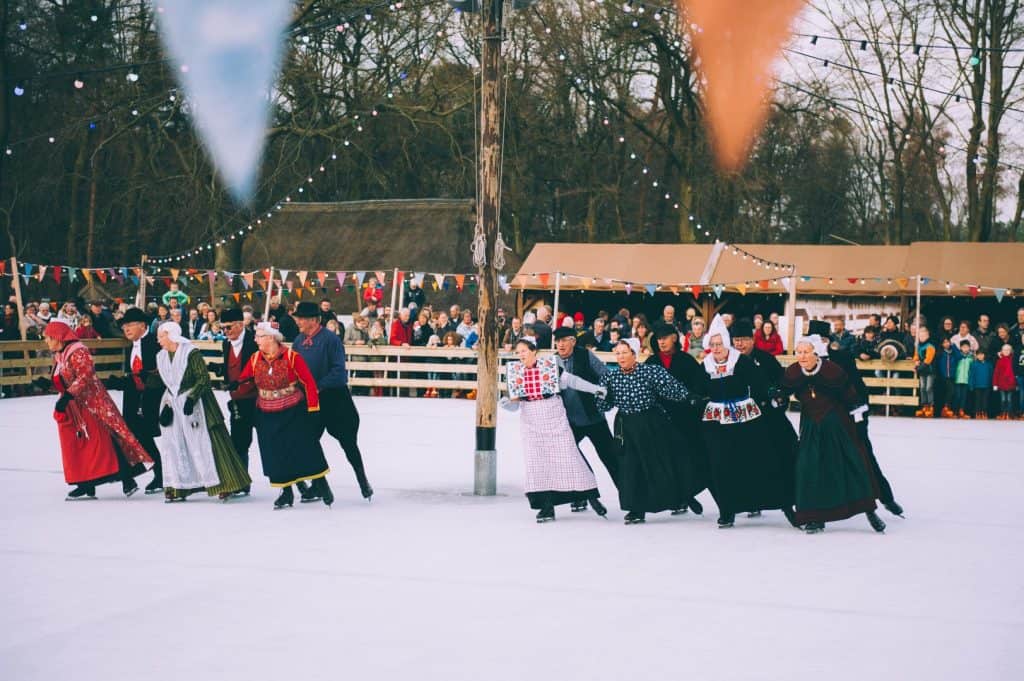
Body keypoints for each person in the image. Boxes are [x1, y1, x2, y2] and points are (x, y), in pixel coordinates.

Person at [697, 317, 797, 528]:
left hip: (744, 417)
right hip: (717, 420)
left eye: (720, 344)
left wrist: (773, 392)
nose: (716, 348)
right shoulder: (705, 365)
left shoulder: (740, 361)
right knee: (722, 465)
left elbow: (759, 381)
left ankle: (784, 504)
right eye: (712, 344)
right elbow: (698, 389)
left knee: (760, 461)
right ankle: (728, 509)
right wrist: (695, 399)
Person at [782, 334, 886, 534]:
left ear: (815, 353)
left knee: (851, 465)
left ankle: (869, 511)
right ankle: (813, 517)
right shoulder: (794, 371)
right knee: (808, 468)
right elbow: (784, 389)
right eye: (799, 352)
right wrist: (776, 396)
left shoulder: (831, 370)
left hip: (836, 424)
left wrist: (857, 413)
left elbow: (849, 393)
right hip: (811, 425)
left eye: (806, 352)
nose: (802, 356)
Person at [596, 338, 704, 525]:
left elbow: (671, 388)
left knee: (664, 462)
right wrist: (602, 397)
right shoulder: (610, 377)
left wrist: (689, 397)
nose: (620, 356)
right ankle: (636, 508)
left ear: (634, 354)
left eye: (624, 352)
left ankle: (682, 496)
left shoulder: (649, 371)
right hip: (626, 425)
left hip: (651, 422)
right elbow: (604, 406)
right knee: (631, 467)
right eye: (618, 353)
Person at [41, 321, 152, 500]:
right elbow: (66, 379)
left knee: (103, 441)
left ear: (58, 337)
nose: (46, 341)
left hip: (92, 404)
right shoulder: (60, 354)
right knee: (80, 445)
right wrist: (49, 386)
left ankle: (123, 477)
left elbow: (86, 375)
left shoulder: (77, 351)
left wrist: (68, 395)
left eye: (47, 338)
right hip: (74, 406)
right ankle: (86, 482)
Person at [502, 338, 608, 522]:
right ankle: (546, 506)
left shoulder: (549, 367)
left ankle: (591, 496)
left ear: (534, 351)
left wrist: (595, 389)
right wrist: (505, 403)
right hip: (531, 421)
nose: (521, 355)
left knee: (570, 458)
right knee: (537, 464)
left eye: (524, 351)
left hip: (553, 416)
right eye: (518, 352)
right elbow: (515, 405)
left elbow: (573, 381)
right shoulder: (515, 373)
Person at [227, 322, 331, 508]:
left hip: (292, 410)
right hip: (266, 411)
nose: (255, 339)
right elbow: (246, 380)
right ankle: (286, 492)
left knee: (303, 448)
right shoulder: (255, 358)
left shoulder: (292, 357)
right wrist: (236, 384)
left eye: (259, 336)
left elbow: (308, 383)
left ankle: (321, 483)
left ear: (271, 337)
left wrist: (313, 409)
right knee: (274, 453)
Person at [810, 320, 904, 517]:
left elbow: (858, 389)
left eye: (821, 340)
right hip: (821, 422)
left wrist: (860, 418)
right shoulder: (804, 364)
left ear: (828, 341)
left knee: (864, 457)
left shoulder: (842, 358)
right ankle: (817, 510)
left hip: (847, 417)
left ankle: (885, 498)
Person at [155, 322, 250, 502]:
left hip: (198, 404)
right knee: (176, 444)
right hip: (174, 404)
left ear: (171, 335)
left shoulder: (191, 353)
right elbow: (165, 381)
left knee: (210, 443)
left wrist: (192, 398)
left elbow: (203, 378)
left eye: (161, 336)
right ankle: (179, 487)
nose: (158, 340)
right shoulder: (160, 356)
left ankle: (227, 483)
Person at [292, 301, 373, 501]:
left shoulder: (330, 340)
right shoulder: (298, 341)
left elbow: (338, 371)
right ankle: (319, 485)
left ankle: (362, 480)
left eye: (301, 318)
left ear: (312, 320)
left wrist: (318, 386)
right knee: (308, 441)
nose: (298, 321)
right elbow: (293, 367)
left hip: (335, 399)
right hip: (311, 401)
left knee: (348, 443)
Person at [729, 318, 799, 519]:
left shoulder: (766, 359)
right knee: (747, 463)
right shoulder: (729, 361)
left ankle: (789, 502)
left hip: (769, 418)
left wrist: (778, 400)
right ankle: (751, 502)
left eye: (743, 339)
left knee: (781, 458)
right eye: (736, 340)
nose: (739, 344)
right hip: (742, 420)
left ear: (752, 340)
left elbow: (782, 385)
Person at [552, 327, 621, 502]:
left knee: (611, 458)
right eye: (557, 341)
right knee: (569, 458)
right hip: (569, 422)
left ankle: (630, 495)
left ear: (573, 341)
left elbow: (606, 376)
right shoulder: (552, 362)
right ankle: (582, 495)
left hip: (593, 417)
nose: (560, 344)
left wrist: (605, 395)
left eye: (564, 340)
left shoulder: (586, 355)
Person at [102, 308, 166, 494]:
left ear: (143, 325)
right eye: (124, 326)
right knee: (133, 437)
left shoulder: (155, 343)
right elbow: (133, 376)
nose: (126, 329)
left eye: (130, 325)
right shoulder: (131, 347)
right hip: (133, 400)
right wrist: (120, 382)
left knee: (146, 438)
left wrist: (144, 380)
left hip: (152, 399)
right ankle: (137, 473)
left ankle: (155, 474)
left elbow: (160, 373)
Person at [216, 308, 257, 496]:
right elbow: (229, 368)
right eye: (222, 328)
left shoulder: (255, 341)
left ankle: (294, 483)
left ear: (240, 324)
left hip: (258, 400)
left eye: (229, 327)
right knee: (239, 442)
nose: (225, 331)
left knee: (272, 442)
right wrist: (220, 370)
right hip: (238, 401)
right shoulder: (226, 345)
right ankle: (241, 481)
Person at [913, 327, 937, 417]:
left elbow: (928, 361)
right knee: (922, 388)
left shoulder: (930, 346)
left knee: (928, 388)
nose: (922, 337)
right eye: (920, 335)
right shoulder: (918, 346)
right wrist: (916, 361)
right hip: (922, 371)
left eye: (924, 335)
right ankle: (924, 406)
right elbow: (916, 356)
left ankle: (931, 406)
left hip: (930, 370)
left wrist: (917, 369)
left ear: (928, 336)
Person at [935, 336, 961, 418]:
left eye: (947, 342)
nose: (946, 344)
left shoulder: (953, 352)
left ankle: (949, 409)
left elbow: (959, 356)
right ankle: (945, 408)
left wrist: (954, 346)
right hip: (944, 376)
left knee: (954, 393)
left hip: (952, 376)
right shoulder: (941, 353)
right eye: (944, 342)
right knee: (950, 391)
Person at [993, 344, 1017, 419]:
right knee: (1003, 399)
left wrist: (1016, 384)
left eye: (1008, 350)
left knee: (1009, 399)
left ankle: (1009, 413)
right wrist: (995, 384)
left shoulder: (1013, 360)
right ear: (1001, 351)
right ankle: (1003, 412)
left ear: (1011, 351)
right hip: (1001, 383)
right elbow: (996, 373)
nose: (1006, 351)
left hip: (1010, 383)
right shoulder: (999, 361)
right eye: (1004, 350)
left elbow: (1015, 372)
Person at [968, 349, 993, 419]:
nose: (980, 356)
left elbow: (991, 375)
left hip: (986, 385)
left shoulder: (988, 364)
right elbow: (971, 375)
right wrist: (971, 385)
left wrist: (991, 384)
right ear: (976, 355)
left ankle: (984, 412)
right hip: (977, 386)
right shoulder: (974, 364)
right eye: (978, 354)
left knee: (985, 400)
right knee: (977, 400)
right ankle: (977, 412)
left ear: (984, 355)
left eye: (982, 354)